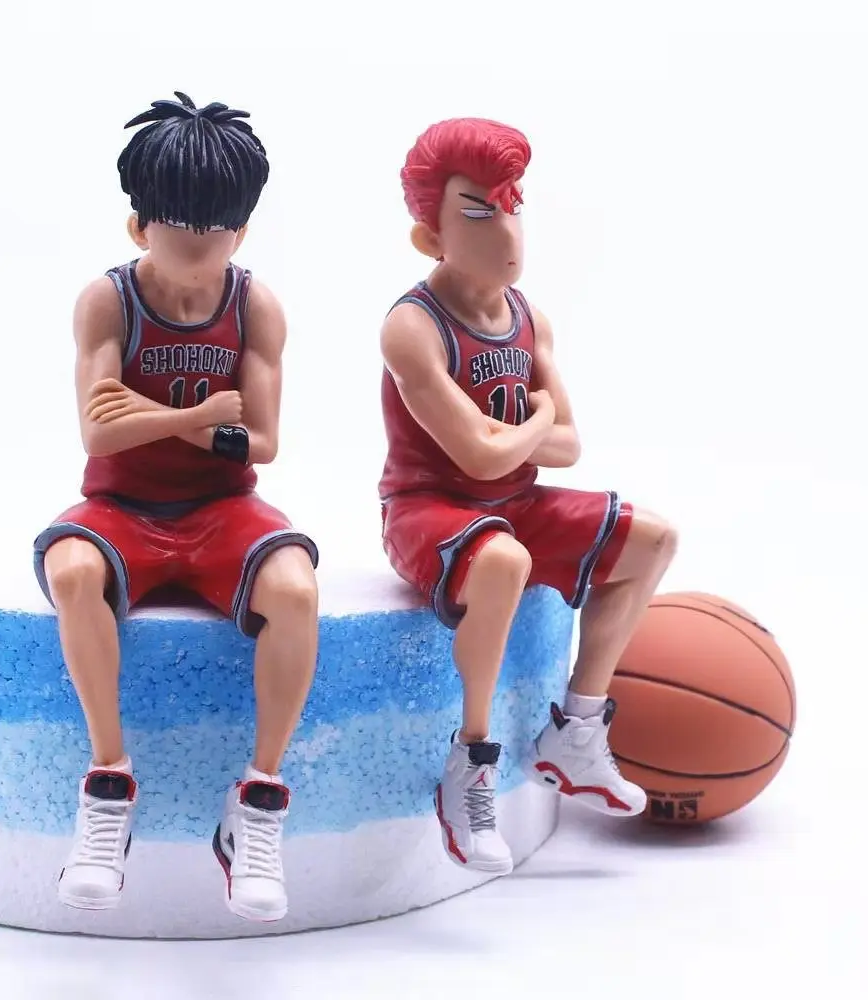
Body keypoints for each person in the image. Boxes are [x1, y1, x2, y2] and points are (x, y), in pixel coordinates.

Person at [33, 93, 319, 922]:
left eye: (216, 232)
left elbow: (260, 442)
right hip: (121, 504)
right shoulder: (107, 300)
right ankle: (109, 782)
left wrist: (151, 415)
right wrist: (199, 418)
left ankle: (258, 799)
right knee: (73, 571)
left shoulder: (255, 305)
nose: (199, 249)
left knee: (296, 590)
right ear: (139, 228)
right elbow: (98, 430)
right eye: (180, 230)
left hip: (222, 508)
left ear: (242, 232)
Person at [378, 117, 678, 875]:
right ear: (430, 236)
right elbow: (476, 455)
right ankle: (471, 762)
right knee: (503, 561)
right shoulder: (412, 326)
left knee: (654, 540)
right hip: (427, 510)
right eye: (479, 211)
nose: (506, 230)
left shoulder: (527, 316)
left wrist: (520, 431)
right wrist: (534, 424)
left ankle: (576, 730)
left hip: (512, 506)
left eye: (513, 205)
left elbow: (567, 445)